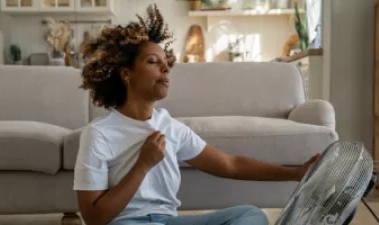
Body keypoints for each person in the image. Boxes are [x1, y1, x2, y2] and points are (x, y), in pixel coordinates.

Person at [74, 4, 320, 225]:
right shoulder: (99, 134)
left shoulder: (169, 127)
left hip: (168, 221)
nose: (165, 68)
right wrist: (143, 165)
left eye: (167, 63)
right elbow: (95, 218)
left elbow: (230, 165)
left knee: (250, 216)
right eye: (152, 61)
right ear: (126, 74)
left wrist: (295, 174)